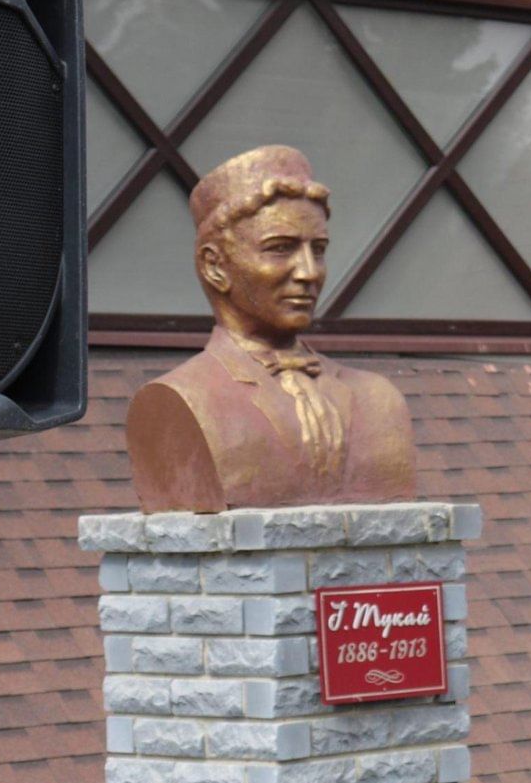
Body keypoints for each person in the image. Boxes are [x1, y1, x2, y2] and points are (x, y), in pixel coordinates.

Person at [125, 145, 415, 512]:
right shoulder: (179, 400)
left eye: (318, 250)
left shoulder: (379, 400)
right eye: (280, 249)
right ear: (215, 266)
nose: (309, 272)